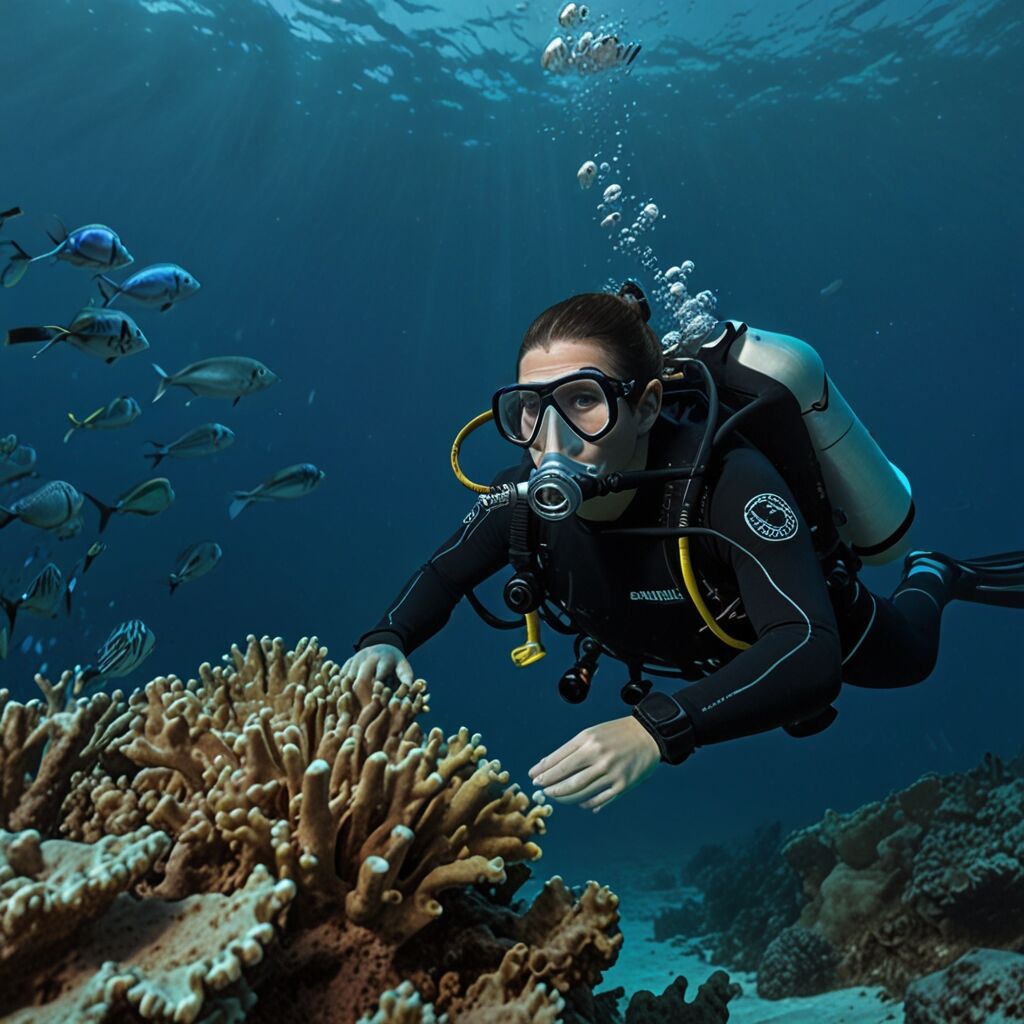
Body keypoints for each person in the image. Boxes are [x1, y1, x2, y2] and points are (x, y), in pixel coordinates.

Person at [342, 291, 1023, 814]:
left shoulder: (725, 484)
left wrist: (656, 729)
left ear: (645, 406)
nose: (551, 438)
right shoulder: (519, 498)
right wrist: (386, 639)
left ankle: (934, 574)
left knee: (913, 662)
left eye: (583, 400)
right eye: (529, 408)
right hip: (687, 645)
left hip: (779, 627)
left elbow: (811, 651)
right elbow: (444, 570)